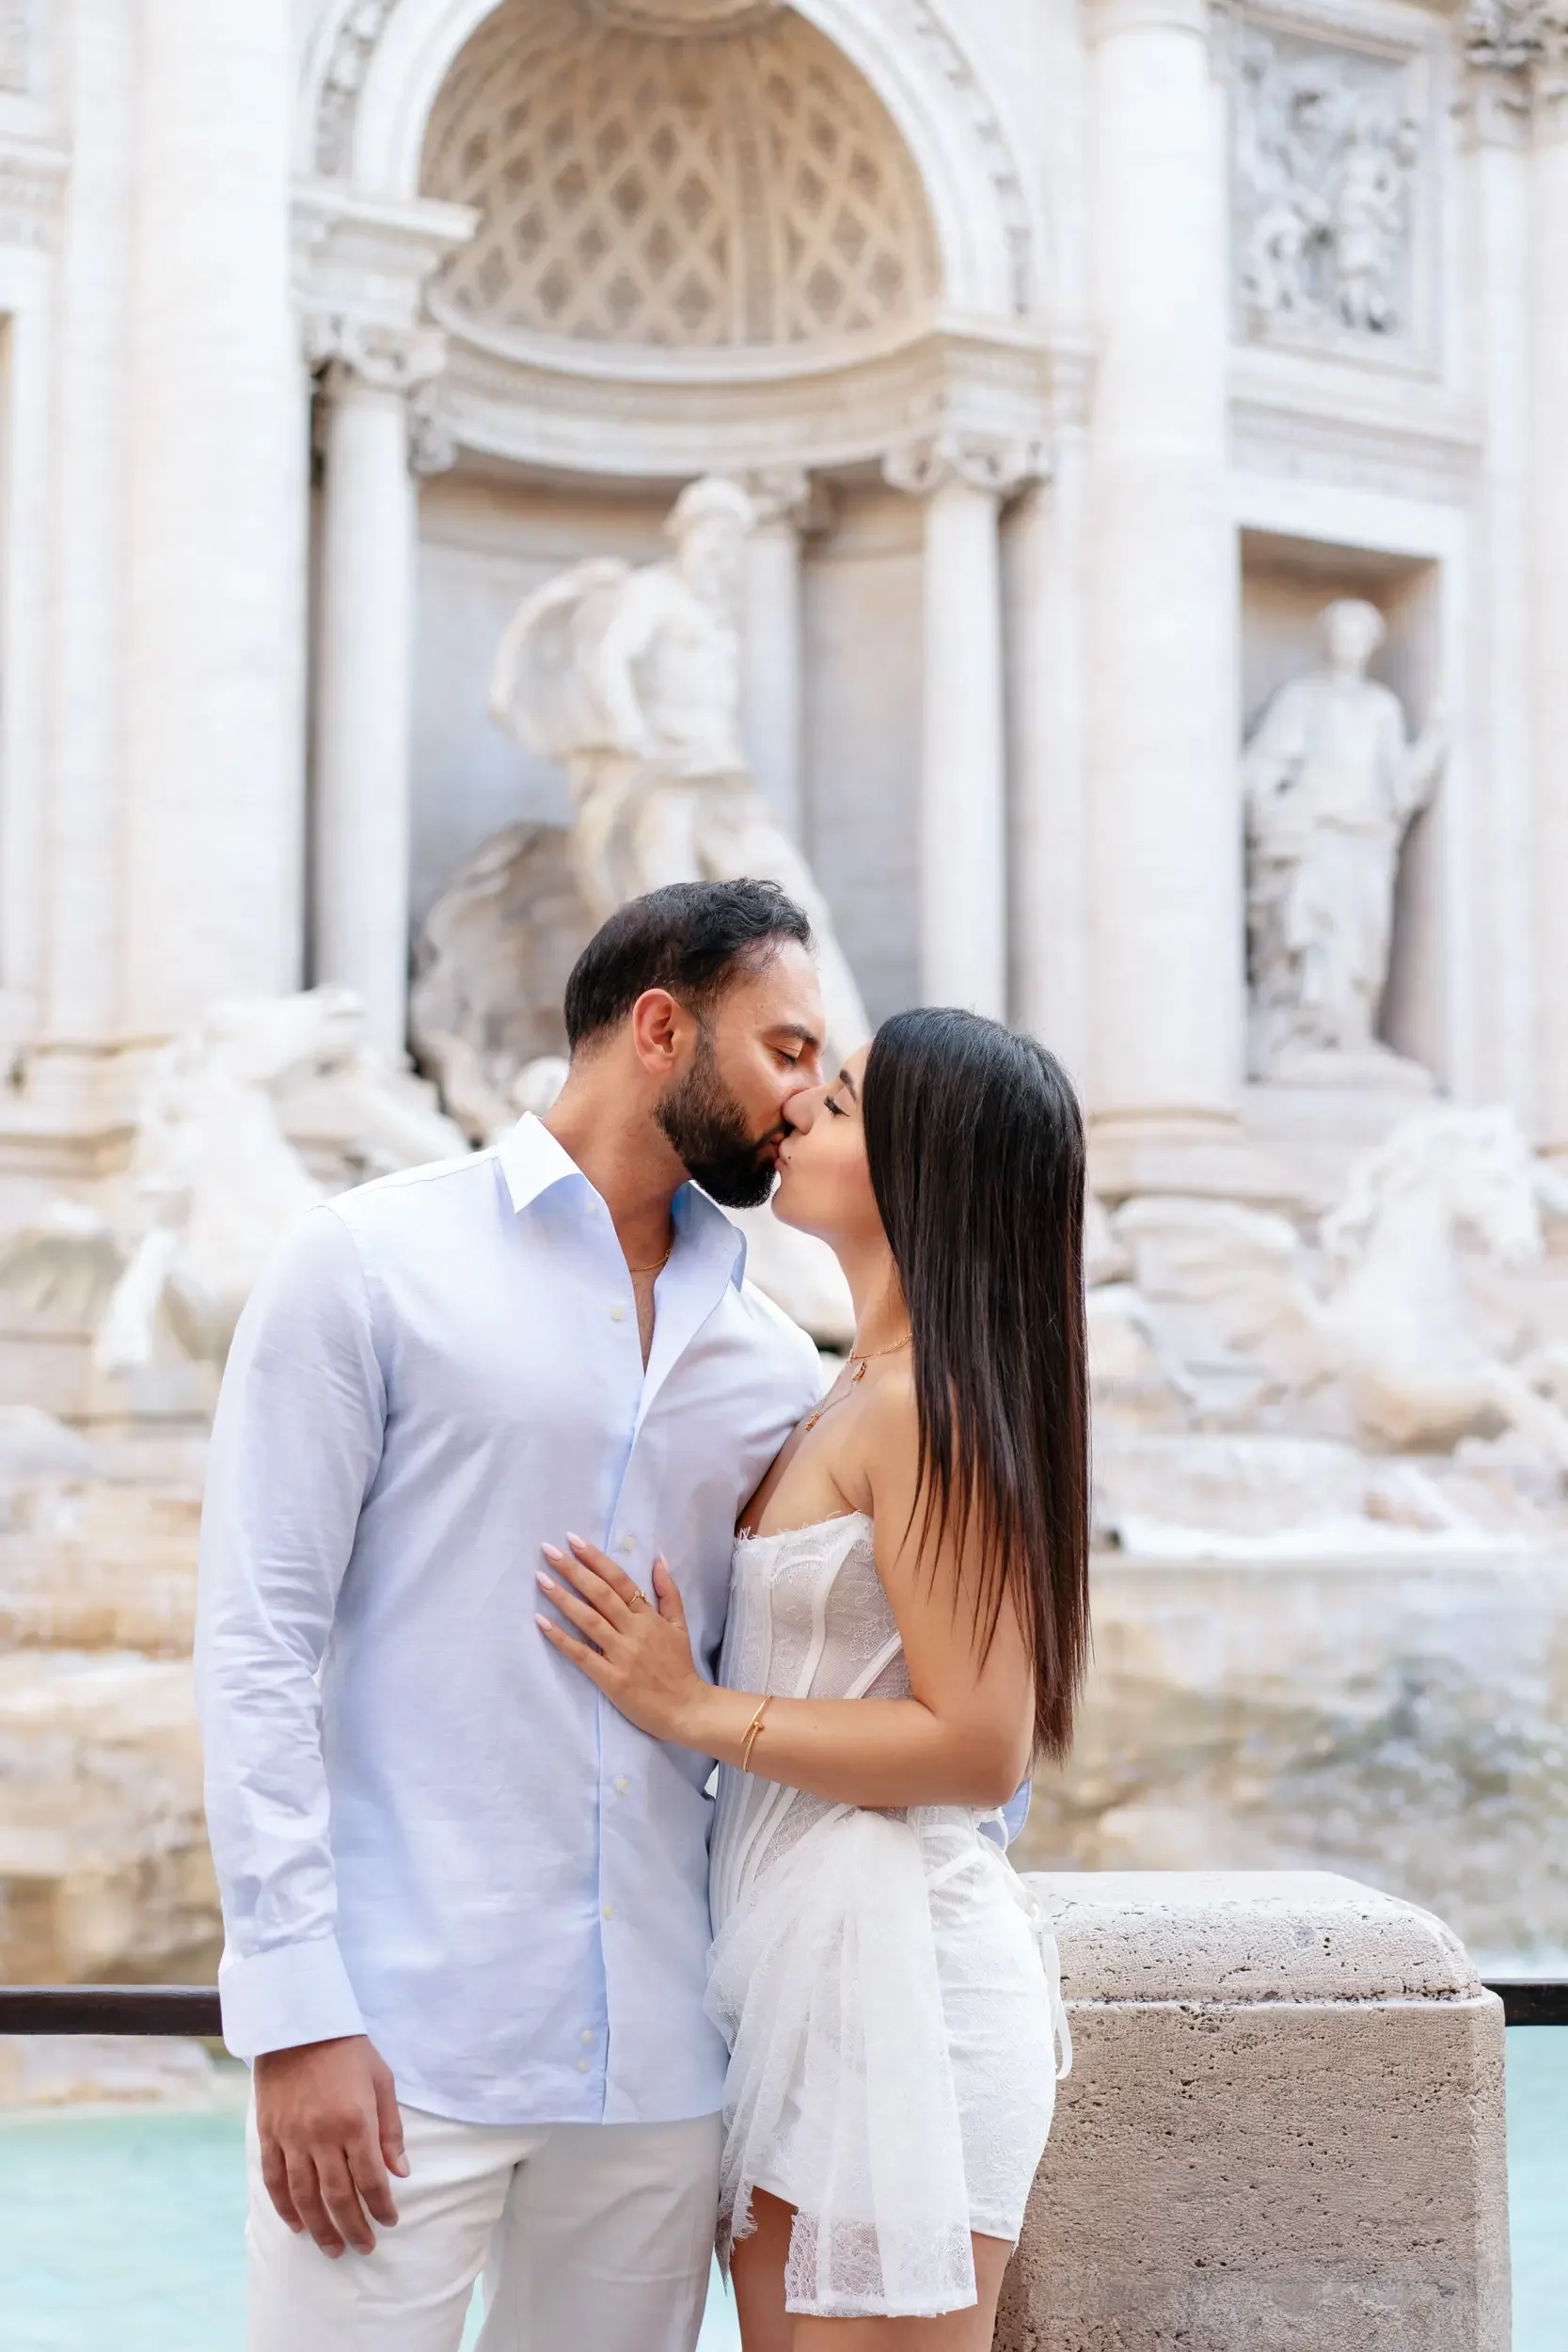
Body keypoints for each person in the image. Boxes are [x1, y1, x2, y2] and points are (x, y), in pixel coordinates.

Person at [196, 880, 834, 2352]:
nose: (805, 1099)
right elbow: (255, 1641)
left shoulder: (766, 1359)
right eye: (785, 1051)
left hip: (663, 2073)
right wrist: (295, 2014)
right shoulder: (362, 1264)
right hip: (398, 2045)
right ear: (661, 1029)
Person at [537, 1006, 1090, 2346]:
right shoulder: (851, 1386)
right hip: (805, 1973)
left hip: (900, 1981)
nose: (792, 1116)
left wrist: (690, 1709)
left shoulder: (921, 1407)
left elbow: (979, 1746)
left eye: (836, 1105)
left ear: (922, 1168)